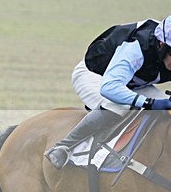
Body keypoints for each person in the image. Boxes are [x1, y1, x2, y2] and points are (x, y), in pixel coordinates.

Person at [44, 15, 171, 169]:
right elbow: (110, 88)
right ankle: (64, 147)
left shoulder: (164, 46)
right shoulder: (136, 48)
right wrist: (148, 103)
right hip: (97, 76)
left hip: (134, 82)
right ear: (161, 45)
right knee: (120, 106)